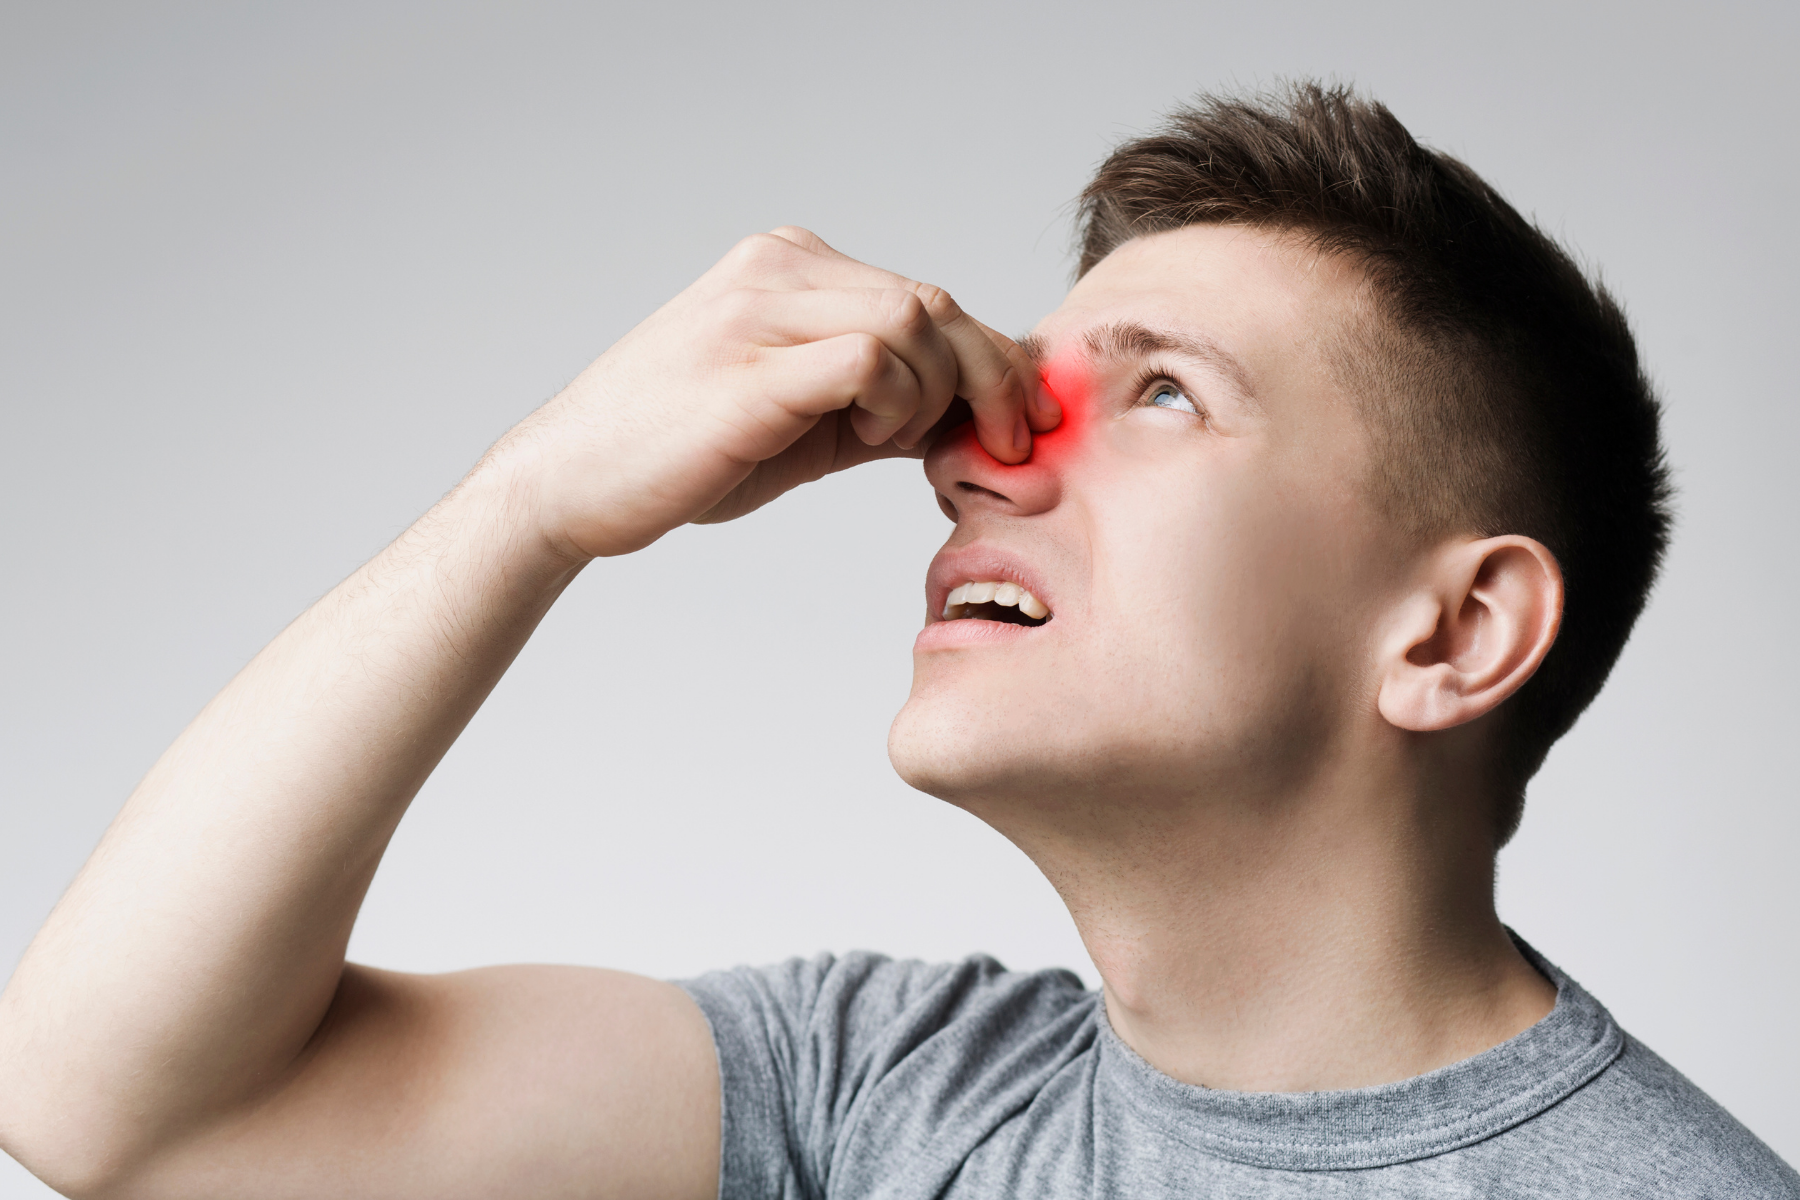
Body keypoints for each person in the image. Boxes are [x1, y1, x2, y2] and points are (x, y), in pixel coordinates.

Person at [0, 81, 1792, 1200]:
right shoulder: (882, 1099)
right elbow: (115, 1108)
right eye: (1028, 391)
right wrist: (536, 500)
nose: (977, 456)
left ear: (1458, 631)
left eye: (1162, 393)